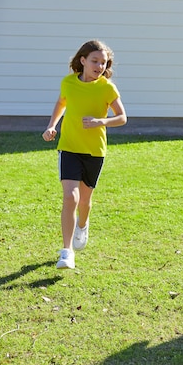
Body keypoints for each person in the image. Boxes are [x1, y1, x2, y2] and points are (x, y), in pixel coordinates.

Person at [42, 40, 127, 269]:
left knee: (85, 202)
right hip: (69, 147)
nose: (99, 66)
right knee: (71, 197)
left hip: (94, 151)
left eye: (103, 62)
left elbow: (122, 117)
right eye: (94, 61)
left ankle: (83, 224)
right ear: (83, 60)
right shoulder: (68, 82)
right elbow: (61, 103)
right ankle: (66, 252)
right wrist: (52, 126)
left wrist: (101, 121)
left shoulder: (107, 88)